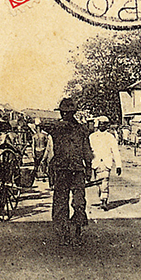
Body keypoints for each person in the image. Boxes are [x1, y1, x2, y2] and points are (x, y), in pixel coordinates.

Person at [45, 98, 93, 246]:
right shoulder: (57, 128)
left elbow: (86, 149)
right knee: (62, 202)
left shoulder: (80, 130)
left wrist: (89, 167)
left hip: (76, 169)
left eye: (68, 113)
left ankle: (76, 230)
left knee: (77, 202)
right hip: (62, 170)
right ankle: (64, 232)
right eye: (64, 113)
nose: (66, 115)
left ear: (73, 113)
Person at [89, 116, 122, 211]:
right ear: (98, 125)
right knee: (99, 183)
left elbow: (115, 151)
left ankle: (104, 200)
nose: (103, 126)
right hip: (95, 162)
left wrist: (118, 165)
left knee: (105, 182)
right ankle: (102, 197)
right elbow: (88, 150)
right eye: (101, 124)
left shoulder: (110, 137)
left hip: (106, 162)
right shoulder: (92, 136)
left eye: (105, 124)